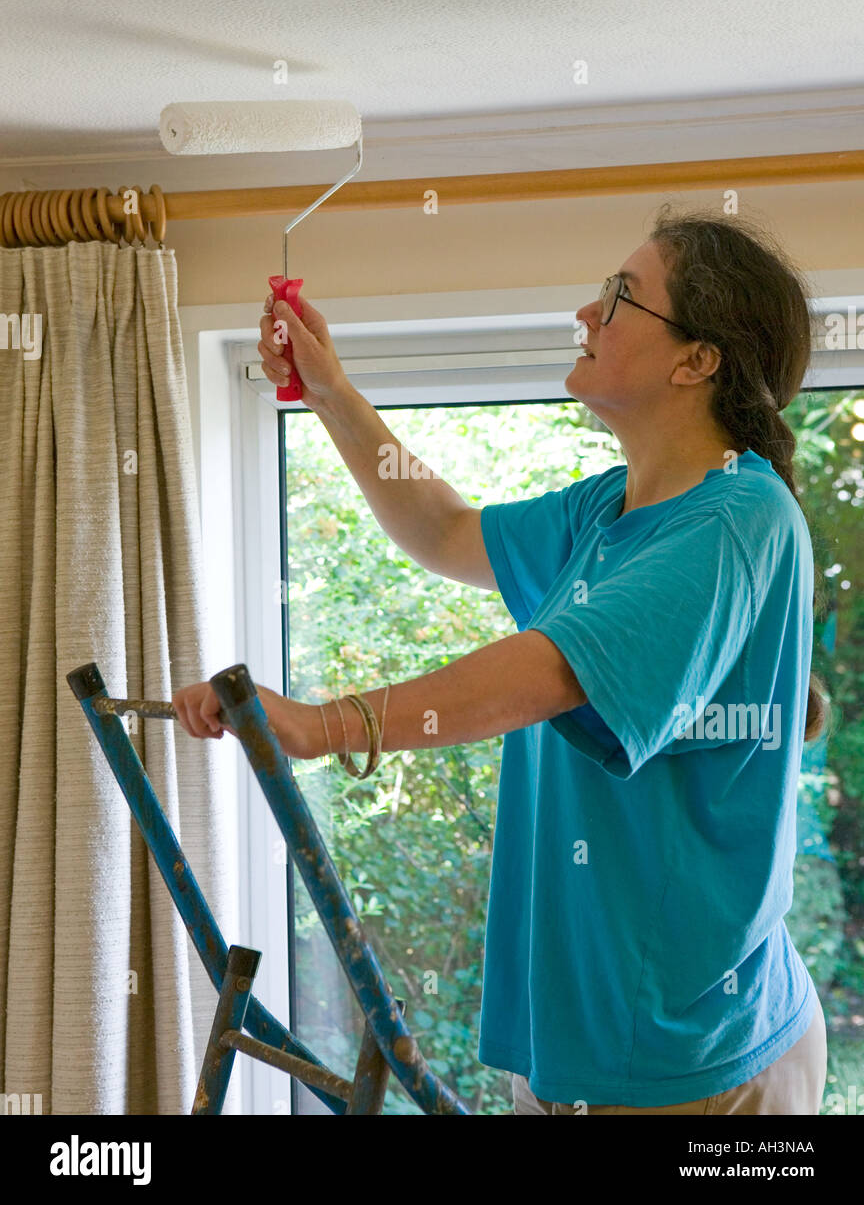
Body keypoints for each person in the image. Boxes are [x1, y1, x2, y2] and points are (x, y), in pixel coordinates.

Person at [172, 204, 829, 1115]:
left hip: (692, 1065)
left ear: (698, 359)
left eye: (620, 297)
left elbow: (552, 671)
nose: (586, 314)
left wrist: (328, 725)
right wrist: (327, 389)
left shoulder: (737, 520)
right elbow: (443, 529)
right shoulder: (608, 512)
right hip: (580, 1046)